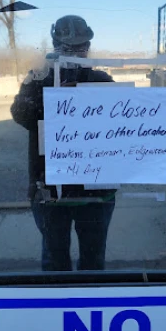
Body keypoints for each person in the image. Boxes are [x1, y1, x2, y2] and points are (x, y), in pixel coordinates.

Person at [11, 15, 116, 271]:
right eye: (67, 48)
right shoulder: (38, 78)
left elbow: (123, 127)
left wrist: (83, 95)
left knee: (93, 261)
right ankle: (55, 307)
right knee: (54, 259)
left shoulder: (101, 80)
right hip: (49, 189)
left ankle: (90, 304)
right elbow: (20, 113)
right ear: (54, 46)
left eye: (82, 47)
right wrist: (56, 97)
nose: (76, 53)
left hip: (96, 191)